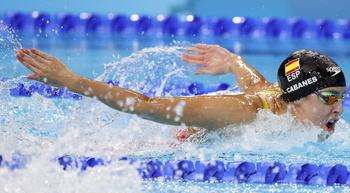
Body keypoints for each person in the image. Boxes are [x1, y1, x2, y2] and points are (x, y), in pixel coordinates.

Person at [14, 44, 346, 140]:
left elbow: (260, 86)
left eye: (343, 98)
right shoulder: (244, 112)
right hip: (165, 150)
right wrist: (74, 83)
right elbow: (150, 106)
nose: (340, 110)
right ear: (300, 96)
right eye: (330, 97)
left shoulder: (285, 104)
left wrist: (233, 61)